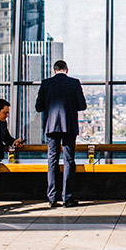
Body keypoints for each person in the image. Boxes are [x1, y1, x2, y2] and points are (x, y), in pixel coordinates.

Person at [35, 60, 87, 208]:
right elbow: (82, 105)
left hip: (51, 127)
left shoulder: (46, 83)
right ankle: (67, 198)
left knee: (52, 160)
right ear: (67, 70)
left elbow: (39, 107)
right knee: (69, 160)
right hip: (69, 126)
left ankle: (52, 198)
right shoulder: (75, 83)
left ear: (54, 70)